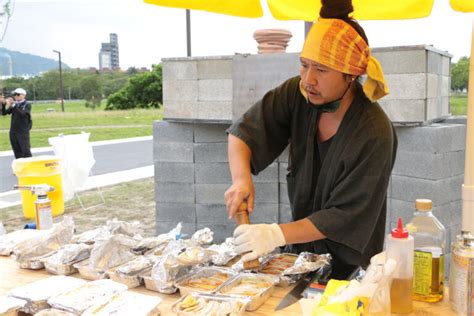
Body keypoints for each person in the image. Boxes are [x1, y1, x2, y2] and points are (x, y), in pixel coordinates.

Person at [224, 0, 398, 279]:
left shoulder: (374, 133)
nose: (308, 79)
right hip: (301, 260)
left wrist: (272, 234)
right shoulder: (298, 95)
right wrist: (241, 179)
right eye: (304, 65)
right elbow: (243, 133)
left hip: (351, 271)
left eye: (322, 70)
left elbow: (342, 216)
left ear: (351, 75)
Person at [1, 88, 33, 159]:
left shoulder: (27, 104)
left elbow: (23, 114)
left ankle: (29, 166)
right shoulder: (15, 104)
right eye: (14, 95)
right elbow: (4, 113)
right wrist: (3, 104)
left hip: (22, 131)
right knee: (17, 151)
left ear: (23, 95)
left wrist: (14, 105)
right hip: (13, 131)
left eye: (17, 94)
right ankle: (20, 167)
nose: (16, 96)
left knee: (25, 151)